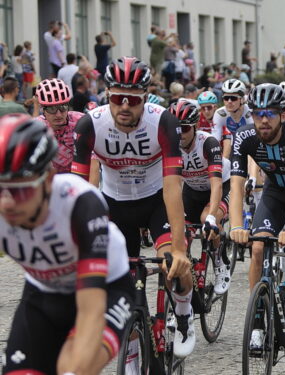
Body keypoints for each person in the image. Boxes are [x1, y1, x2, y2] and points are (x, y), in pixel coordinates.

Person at [72, 56, 196, 357]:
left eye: (133, 100)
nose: (124, 106)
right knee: (118, 282)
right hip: (115, 204)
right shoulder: (91, 124)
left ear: (145, 98)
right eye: (117, 98)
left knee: (173, 265)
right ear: (107, 96)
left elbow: (172, 188)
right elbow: (79, 191)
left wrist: (179, 249)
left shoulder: (163, 121)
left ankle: (183, 312)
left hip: (156, 200)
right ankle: (130, 344)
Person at [0, 113, 133, 375]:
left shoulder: (79, 204)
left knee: (72, 367)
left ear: (48, 180)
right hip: (44, 294)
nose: (7, 203)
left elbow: (90, 308)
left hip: (106, 289)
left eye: (21, 189)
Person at [228, 83, 285, 349]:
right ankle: (257, 323)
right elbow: (235, 184)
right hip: (275, 193)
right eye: (257, 113)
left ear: (282, 114)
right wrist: (235, 225)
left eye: (269, 113)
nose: (263, 120)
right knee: (258, 247)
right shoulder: (244, 137)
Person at [171, 100, 233, 295]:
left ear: (195, 126)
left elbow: (215, 184)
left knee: (206, 219)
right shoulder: (171, 145)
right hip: (192, 190)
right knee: (182, 237)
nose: (180, 133)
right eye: (176, 128)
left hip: (219, 186)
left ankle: (219, 262)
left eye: (185, 128)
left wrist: (213, 217)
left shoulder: (208, 143)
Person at [35, 78, 86, 173]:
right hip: (51, 177)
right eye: (52, 109)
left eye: (62, 107)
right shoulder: (37, 128)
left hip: (79, 175)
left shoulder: (81, 121)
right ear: (43, 110)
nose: (58, 114)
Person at [212, 78, 253, 157]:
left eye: (233, 98)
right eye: (226, 98)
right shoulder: (220, 114)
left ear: (242, 99)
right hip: (228, 151)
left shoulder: (250, 112)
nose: (229, 101)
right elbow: (215, 139)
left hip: (248, 151)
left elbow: (253, 140)